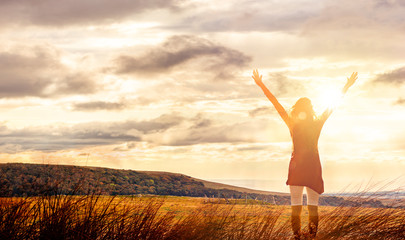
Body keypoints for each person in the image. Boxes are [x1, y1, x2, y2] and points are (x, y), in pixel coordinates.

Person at [252, 69, 358, 239]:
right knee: (313, 206)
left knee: (295, 205)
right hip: (313, 167)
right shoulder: (317, 123)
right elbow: (333, 106)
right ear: (311, 109)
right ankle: (312, 236)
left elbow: (276, 104)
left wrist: (261, 84)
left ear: (296, 109)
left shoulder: (292, 123)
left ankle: (296, 236)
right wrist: (346, 86)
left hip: (296, 167)